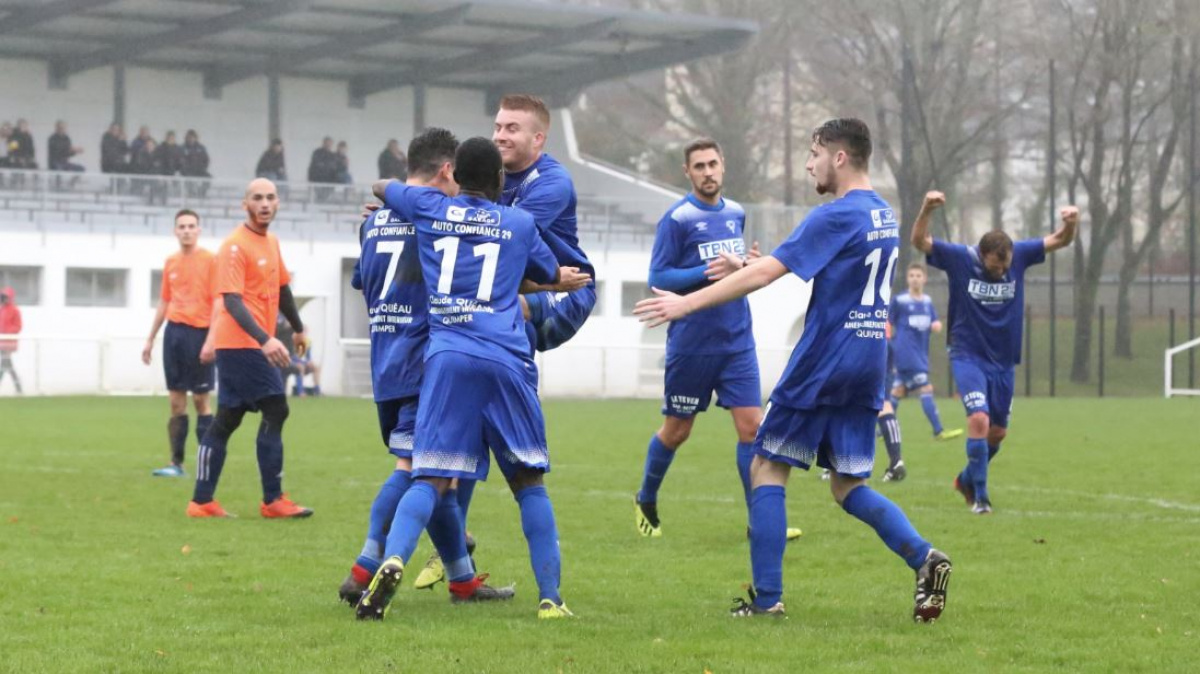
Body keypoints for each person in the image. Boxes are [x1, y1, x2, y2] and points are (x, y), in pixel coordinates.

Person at [636, 118, 952, 622]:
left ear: (839, 157)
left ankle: (767, 601)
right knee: (846, 486)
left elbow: (768, 274)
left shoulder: (835, 214)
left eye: (814, 154)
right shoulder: (882, 213)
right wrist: (746, 266)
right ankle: (924, 557)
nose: (809, 165)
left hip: (824, 361)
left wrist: (686, 303)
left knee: (766, 467)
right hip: (868, 362)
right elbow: (810, 267)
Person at [356, 137, 574, 620]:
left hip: (447, 357)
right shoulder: (519, 222)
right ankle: (551, 599)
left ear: (454, 176)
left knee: (428, 476)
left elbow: (383, 185)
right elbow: (547, 273)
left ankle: (392, 559)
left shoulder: (431, 208)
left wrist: (392, 198)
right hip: (505, 358)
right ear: (499, 179)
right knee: (529, 483)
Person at [338, 128, 513, 608]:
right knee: (417, 471)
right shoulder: (436, 225)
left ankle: (462, 581)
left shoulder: (372, 224)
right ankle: (364, 568)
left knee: (441, 479)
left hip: (385, 363)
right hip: (427, 366)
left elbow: (363, 282)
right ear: (447, 171)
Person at [633, 137, 800, 542]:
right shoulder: (678, 219)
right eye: (699, 166)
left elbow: (737, 270)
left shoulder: (736, 213)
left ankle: (759, 523)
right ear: (687, 172)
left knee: (751, 429)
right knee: (677, 431)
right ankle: (646, 498)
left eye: (712, 164)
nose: (707, 172)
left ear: (723, 165)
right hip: (692, 344)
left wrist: (745, 265)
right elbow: (659, 277)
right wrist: (712, 270)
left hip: (737, 340)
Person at [912, 191, 1079, 514]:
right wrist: (927, 209)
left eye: (1005, 267)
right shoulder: (960, 258)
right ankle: (981, 498)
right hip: (967, 355)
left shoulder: (1020, 255)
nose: (1002, 271)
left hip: (1003, 361)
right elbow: (920, 241)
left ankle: (965, 480)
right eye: (995, 267)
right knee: (978, 419)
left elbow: (1060, 239)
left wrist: (1072, 222)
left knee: (998, 432)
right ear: (982, 255)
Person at [186, 178, 312, 519]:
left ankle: (201, 501)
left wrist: (298, 328)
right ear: (245, 205)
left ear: (278, 203)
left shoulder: (271, 242)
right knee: (276, 408)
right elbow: (232, 301)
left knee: (228, 418)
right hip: (241, 344)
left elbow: (283, 289)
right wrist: (265, 339)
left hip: (246, 344)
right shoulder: (234, 246)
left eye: (270, 197)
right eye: (257, 198)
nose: (265, 203)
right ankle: (273, 500)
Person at [493, 94, 597, 352]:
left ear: (537, 139)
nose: (500, 136)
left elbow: (508, 237)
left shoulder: (552, 182)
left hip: (567, 286)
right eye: (498, 127)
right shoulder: (487, 174)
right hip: (518, 281)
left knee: (493, 308)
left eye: (512, 129)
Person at [142, 210, 217, 477]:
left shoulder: (211, 261)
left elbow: (219, 302)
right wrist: (150, 338)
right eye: (182, 226)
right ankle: (176, 463)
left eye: (191, 226)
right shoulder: (171, 262)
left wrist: (212, 339)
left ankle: (207, 463)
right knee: (176, 401)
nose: (186, 230)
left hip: (201, 333)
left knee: (201, 400)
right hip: (174, 334)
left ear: (199, 230)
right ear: (175, 231)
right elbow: (164, 301)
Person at [888, 263, 962, 442]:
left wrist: (937, 325)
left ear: (924, 279)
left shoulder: (927, 301)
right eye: (911, 275)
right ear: (907, 279)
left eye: (918, 275)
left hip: (919, 353)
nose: (915, 279)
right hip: (906, 353)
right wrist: (887, 343)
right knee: (925, 388)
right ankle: (938, 431)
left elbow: (935, 322)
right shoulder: (900, 301)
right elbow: (887, 322)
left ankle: (883, 429)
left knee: (897, 391)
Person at [275, 313, 321, 396]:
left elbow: (306, 356)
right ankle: (301, 392)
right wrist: (301, 362)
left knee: (315, 367)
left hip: (297, 361)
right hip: (290, 361)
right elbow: (294, 356)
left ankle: (317, 391)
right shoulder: (291, 340)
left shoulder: (306, 342)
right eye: (303, 331)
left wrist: (308, 361)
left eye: (305, 331)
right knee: (300, 367)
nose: (304, 333)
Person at [0, 286, 23, 395]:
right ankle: (19, 388)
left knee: (5, 364)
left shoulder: (15, 310)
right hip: (2, 342)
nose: (3, 299)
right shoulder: (2, 309)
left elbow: (18, 326)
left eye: (5, 297)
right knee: (7, 365)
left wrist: (7, 332)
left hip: (9, 342)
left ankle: (19, 388)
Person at [181, 130, 211, 197]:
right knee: (188, 179)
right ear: (186, 138)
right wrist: (186, 169)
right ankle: (191, 193)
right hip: (188, 171)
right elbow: (181, 161)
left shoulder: (201, 148)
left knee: (208, 177)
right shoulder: (183, 148)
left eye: (192, 137)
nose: (191, 139)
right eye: (189, 137)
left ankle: (201, 193)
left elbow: (206, 159)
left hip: (199, 170)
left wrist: (203, 168)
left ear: (195, 138)